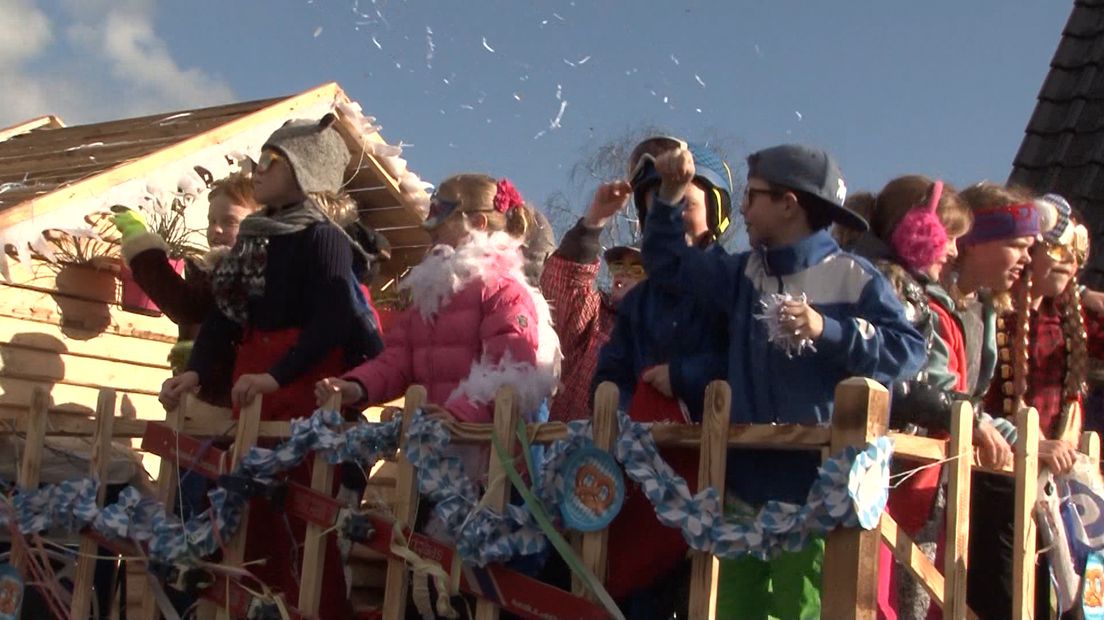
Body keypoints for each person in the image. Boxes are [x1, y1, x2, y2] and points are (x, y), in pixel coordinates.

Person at [642, 144, 926, 619]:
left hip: (819, 497)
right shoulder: (743, 274)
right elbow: (670, 266)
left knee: (804, 612)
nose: (744, 211)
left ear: (789, 204)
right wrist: (670, 197)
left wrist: (827, 330)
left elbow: (908, 351)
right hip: (741, 490)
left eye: (753, 197)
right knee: (732, 611)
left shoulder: (853, 277)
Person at [158, 114, 384, 618]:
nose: (256, 171)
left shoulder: (323, 238)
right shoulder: (255, 238)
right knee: (250, 521)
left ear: (304, 171)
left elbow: (331, 319)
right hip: (255, 391)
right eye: (259, 160)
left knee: (303, 526)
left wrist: (277, 374)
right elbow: (226, 313)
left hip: (303, 392)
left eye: (271, 162)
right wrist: (196, 371)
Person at [842, 176, 1013, 619]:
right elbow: (901, 384)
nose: (954, 251)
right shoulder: (888, 290)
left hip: (898, 472)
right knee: (880, 597)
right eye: (950, 238)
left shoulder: (902, 289)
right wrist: (964, 414)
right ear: (919, 230)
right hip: (884, 471)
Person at [314, 173, 560, 478]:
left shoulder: (505, 291)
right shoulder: (430, 295)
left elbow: (509, 370)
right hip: (432, 449)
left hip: (486, 461)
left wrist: (458, 418)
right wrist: (356, 385)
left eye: (443, 214)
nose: (431, 226)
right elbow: (397, 359)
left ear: (478, 224)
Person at [593, 138, 733, 616]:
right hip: (641, 461)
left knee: (692, 586)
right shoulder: (638, 303)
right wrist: (609, 397)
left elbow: (741, 362)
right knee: (631, 581)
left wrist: (687, 376)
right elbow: (613, 364)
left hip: (708, 461)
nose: (669, 220)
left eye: (684, 204)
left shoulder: (729, 285)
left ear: (716, 214)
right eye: (656, 211)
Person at [970, 192, 1103, 619]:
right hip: (1000, 482)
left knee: (1076, 600)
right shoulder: (995, 313)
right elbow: (971, 397)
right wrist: (1030, 445)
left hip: (1066, 493)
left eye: (1076, 251)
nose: (1067, 260)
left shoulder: (1078, 318)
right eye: (1054, 248)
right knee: (1008, 602)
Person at [112, 171, 259, 400]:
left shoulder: (245, 272)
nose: (216, 230)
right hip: (204, 392)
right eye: (212, 221)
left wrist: (141, 246)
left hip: (232, 398)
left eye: (230, 221)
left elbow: (185, 305)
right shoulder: (209, 271)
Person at [539, 180, 644, 423]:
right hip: (566, 453)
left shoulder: (665, 332)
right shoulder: (597, 317)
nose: (623, 273)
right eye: (619, 266)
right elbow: (567, 284)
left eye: (637, 269)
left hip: (634, 454)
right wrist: (594, 220)